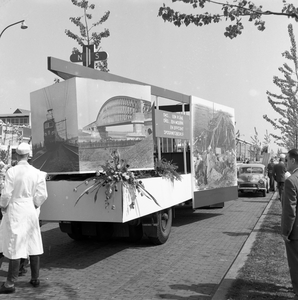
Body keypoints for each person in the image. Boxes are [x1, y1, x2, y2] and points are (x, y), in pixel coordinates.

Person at [0, 142, 48, 294]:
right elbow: (42, 195)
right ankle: (35, 278)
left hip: (15, 208)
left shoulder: (12, 172)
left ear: (16, 155)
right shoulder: (37, 172)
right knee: (33, 242)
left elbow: (7, 194)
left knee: (15, 244)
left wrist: (3, 205)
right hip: (30, 209)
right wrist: (34, 204)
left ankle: (9, 283)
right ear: (29, 155)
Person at [281, 149, 298, 300]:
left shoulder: (291, 181)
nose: (285, 163)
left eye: (287, 160)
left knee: (295, 263)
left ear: (293, 160)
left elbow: (289, 211)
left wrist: (285, 231)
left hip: (296, 232)